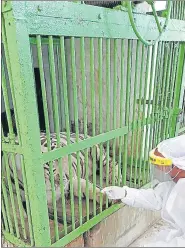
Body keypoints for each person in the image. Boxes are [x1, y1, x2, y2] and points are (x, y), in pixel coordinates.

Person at [102, 135, 185, 247]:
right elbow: (157, 197)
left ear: (179, 166)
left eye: (164, 167)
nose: (161, 171)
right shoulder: (176, 184)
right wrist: (125, 193)